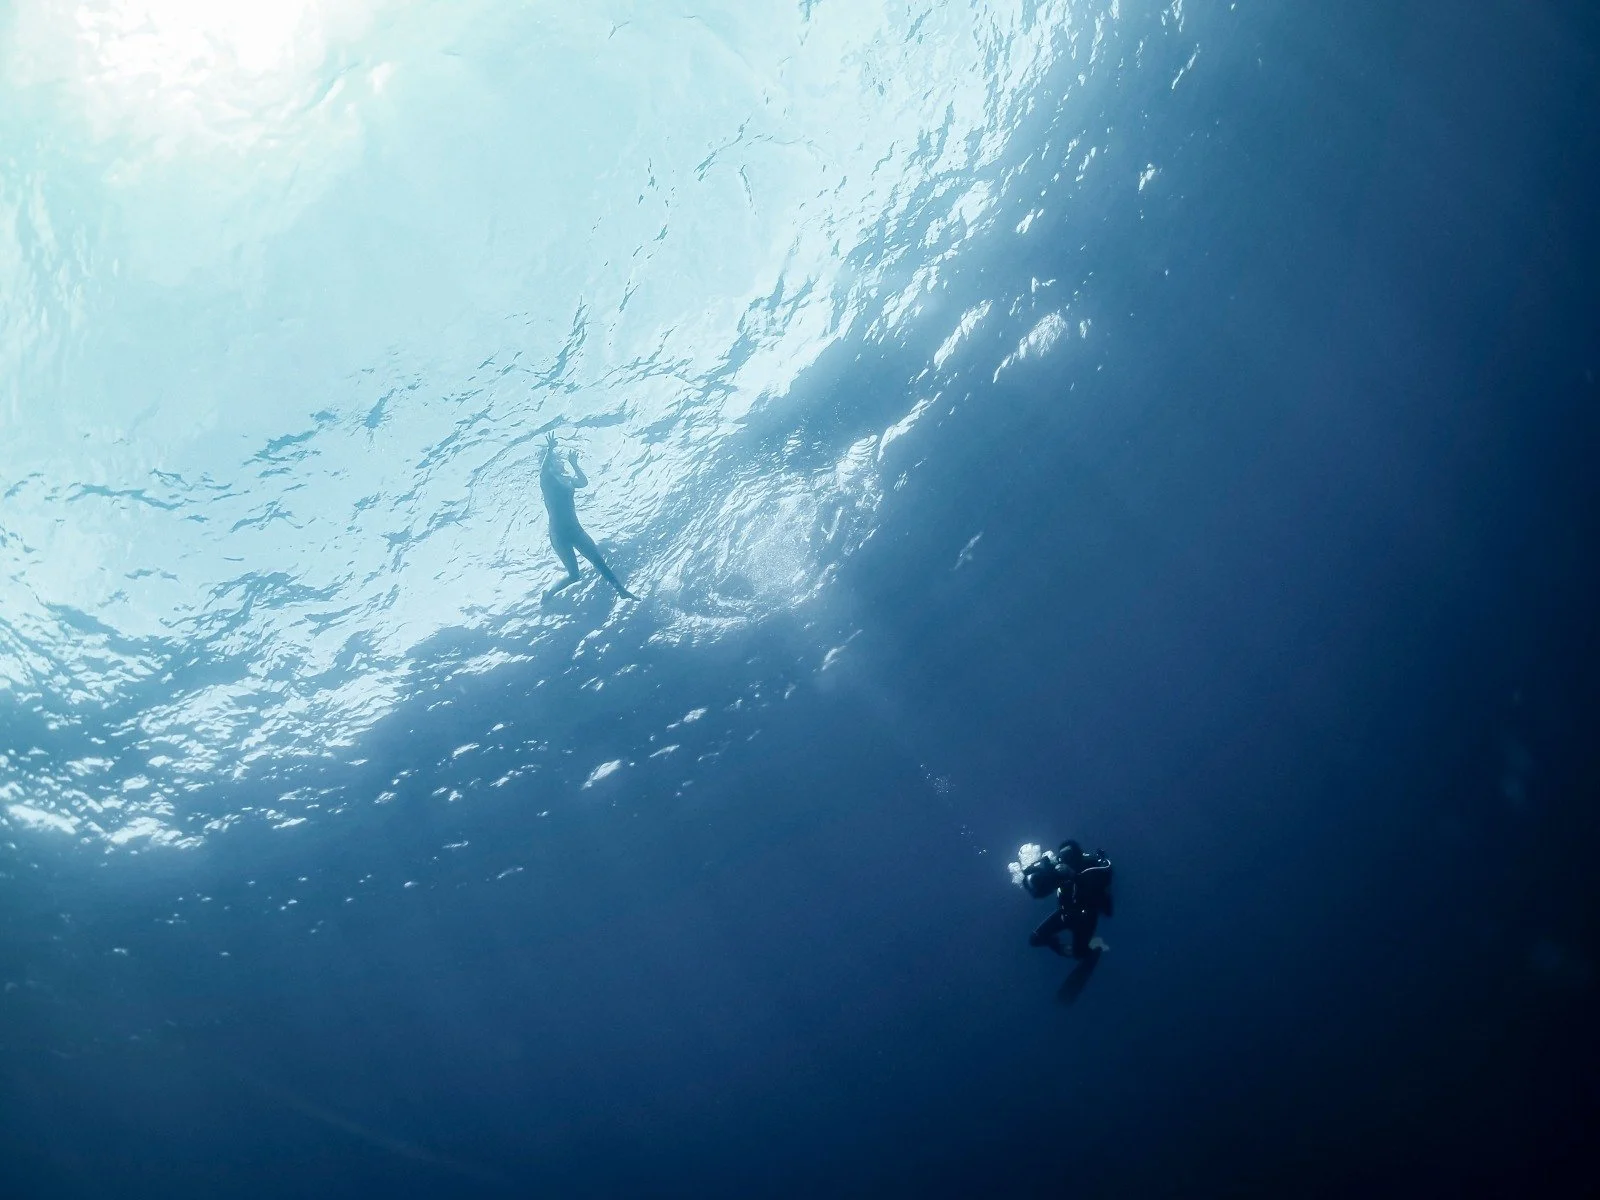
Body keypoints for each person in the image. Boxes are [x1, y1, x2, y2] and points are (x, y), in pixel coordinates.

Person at [539, 432, 637, 600]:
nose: (561, 462)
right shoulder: (547, 480)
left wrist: (574, 464)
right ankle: (549, 593)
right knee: (574, 575)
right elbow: (543, 471)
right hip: (558, 534)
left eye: (561, 461)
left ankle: (621, 591)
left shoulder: (568, 480)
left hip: (576, 530)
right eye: (558, 461)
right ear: (551, 464)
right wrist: (549, 451)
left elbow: (583, 483)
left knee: (599, 561)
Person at [1025, 839, 1113, 960]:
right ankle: (1060, 947)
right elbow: (1041, 893)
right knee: (1034, 939)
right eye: (1063, 856)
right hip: (1065, 915)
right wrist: (1029, 882)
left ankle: (1092, 947)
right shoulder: (1059, 871)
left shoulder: (1089, 865)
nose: (1066, 859)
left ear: (1077, 854)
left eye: (1069, 855)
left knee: (1080, 954)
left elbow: (1096, 887)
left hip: (1085, 918)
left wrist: (1074, 876)